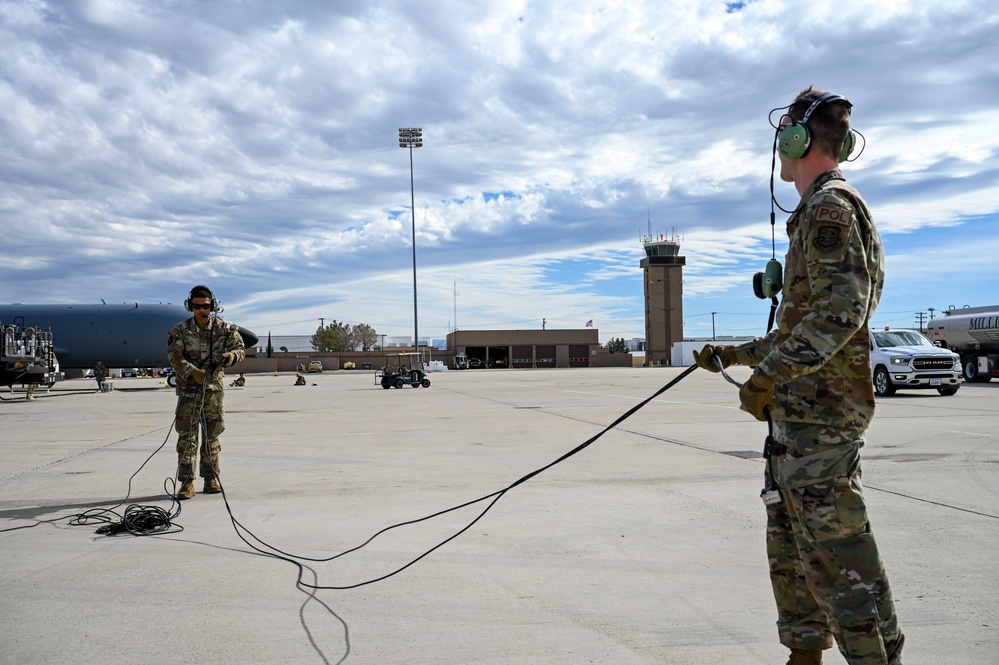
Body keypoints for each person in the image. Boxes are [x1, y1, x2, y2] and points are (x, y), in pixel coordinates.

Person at [694, 87, 904, 665]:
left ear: (799, 139)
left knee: (839, 555)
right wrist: (736, 356)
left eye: (783, 131)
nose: (777, 146)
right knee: (791, 545)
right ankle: (805, 653)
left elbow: (840, 315)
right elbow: (803, 323)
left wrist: (766, 378)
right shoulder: (813, 213)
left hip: (822, 420)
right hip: (798, 418)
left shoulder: (830, 209)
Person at [167, 285, 245, 500]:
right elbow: (174, 356)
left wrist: (231, 357)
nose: (202, 310)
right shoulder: (181, 330)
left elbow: (240, 349)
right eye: (197, 306)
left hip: (213, 392)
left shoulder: (225, 329)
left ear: (213, 305)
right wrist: (192, 372)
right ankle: (186, 483)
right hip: (189, 391)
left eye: (206, 306)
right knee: (187, 438)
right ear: (190, 306)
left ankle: (210, 478)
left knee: (212, 437)